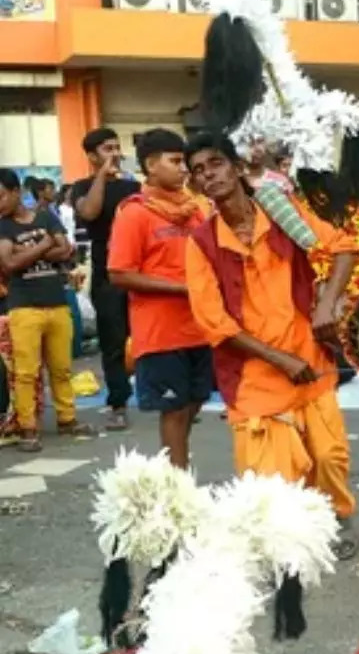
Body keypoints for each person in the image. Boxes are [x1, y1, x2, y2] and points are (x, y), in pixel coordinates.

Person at [182, 131, 359, 558]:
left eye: (215, 163)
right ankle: (289, 537)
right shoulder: (201, 243)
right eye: (198, 171)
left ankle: (332, 519)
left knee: (329, 456)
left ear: (238, 168)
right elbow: (215, 324)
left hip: (310, 358)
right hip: (255, 375)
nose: (209, 175)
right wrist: (278, 358)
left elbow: (344, 248)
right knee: (271, 478)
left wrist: (327, 305)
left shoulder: (282, 212)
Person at [107, 128, 212, 469]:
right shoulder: (134, 213)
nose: (184, 169)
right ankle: (177, 491)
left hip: (202, 327)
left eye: (185, 162)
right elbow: (119, 273)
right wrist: (181, 288)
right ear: (151, 165)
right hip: (161, 333)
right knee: (175, 411)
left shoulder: (197, 209)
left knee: (194, 404)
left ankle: (175, 474)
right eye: (176, 161)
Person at [0, 168, 89, 452]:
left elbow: (66, 250)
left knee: (62, 368)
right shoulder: (2, 226)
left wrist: (27, 252)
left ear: (16, 193)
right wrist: (47, 243)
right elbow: (9, 265)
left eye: (1, 196)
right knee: (26, 372)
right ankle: (28, 428)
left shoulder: (46, 216)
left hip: (57, 301)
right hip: (23, 306)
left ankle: (68, 419)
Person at [70, 126, 139, 431]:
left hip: (139, 270)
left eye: (116, 147)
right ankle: (119, 403)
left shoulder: (132, 187)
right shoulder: (81, 187)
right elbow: (90, 211)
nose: (115, 153)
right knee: (112, 340)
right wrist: (102, 176)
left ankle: (166, 395)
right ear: (92, 156)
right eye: (107, 149)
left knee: (149, 335)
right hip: (107, 272)